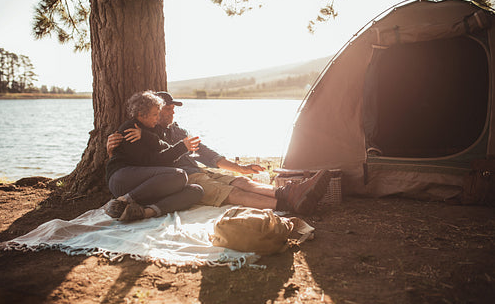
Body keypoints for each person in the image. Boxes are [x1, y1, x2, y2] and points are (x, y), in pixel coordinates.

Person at [107, 91, 332, 216]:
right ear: (154, 110)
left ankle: (288, 192)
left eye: (173, 108)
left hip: (198, 170)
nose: (171, 111)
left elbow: (207, 154)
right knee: (229, 192)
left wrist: (242, 168)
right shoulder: (147, 131)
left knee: (241, 180)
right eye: (166, 108)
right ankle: (288, 204)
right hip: (187, 177)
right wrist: (111, 149)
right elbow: (148, 158)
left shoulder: (179, 130)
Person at [105, 90, 204, 222]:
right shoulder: (130, 129)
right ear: (141, 114)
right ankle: (122, 202)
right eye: (154, 115)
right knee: (179, 175)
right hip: (122, 179)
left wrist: (146, 136)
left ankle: (144, 212)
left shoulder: (153, 130)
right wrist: (182, 147)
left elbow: (164, 148)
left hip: (148, 185)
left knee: (196, 191)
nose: (158, 118)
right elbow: (151, 162)